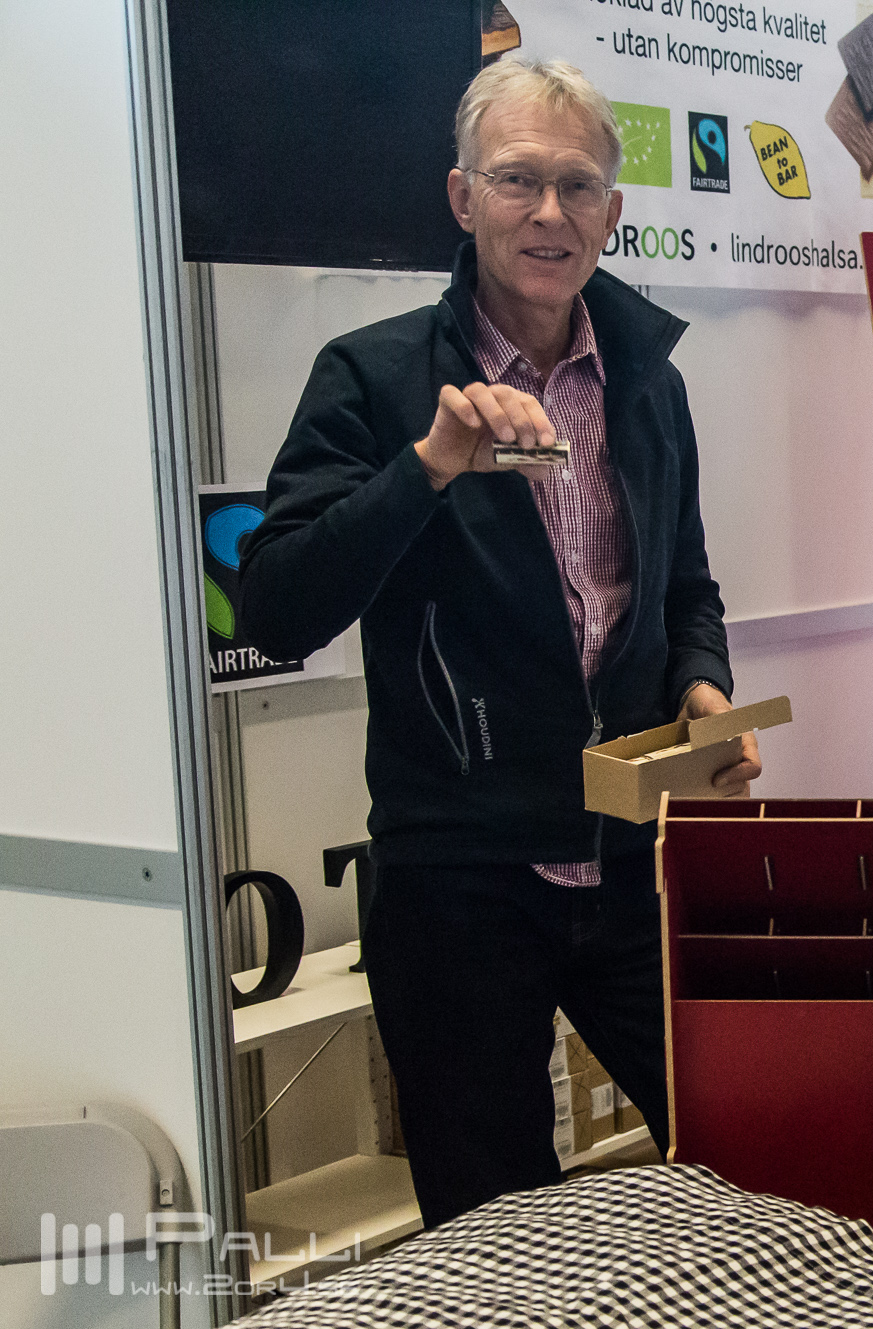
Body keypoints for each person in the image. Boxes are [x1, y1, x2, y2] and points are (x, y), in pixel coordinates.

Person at [237, 59, 757, 1226]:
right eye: (517, 180)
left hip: (630, 860)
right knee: (493, 1234)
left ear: (612, 214)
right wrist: (426, 468)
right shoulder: (372, 379)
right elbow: (274, 607)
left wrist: (704, 688)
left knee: (748, 1155)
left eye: (578, 186)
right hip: (459, 885)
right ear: (462, 197)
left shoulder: (647, 382)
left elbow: (685, 589)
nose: (548, 212)